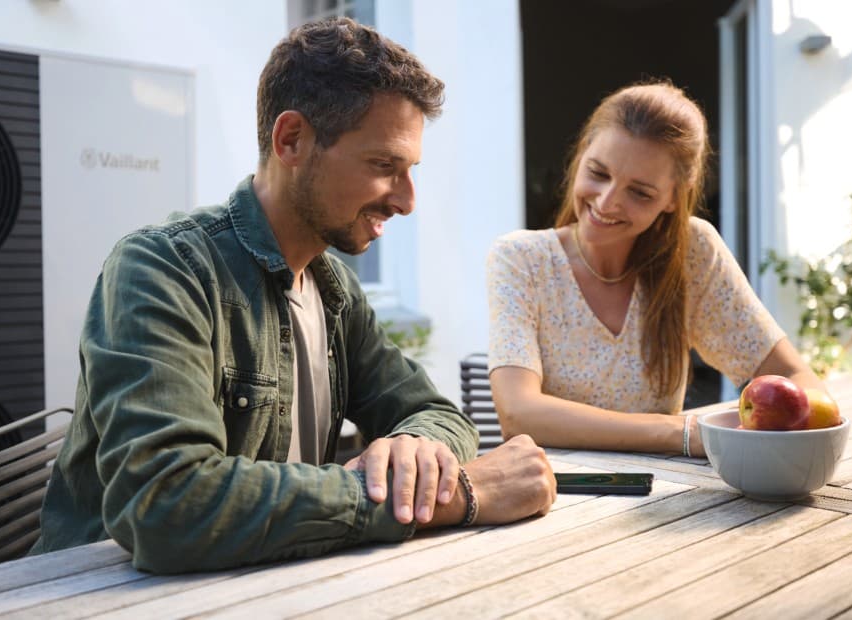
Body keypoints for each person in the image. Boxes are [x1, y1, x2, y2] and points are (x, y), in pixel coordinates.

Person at [31, 18, 555, 574]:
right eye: (384, 166)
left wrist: (416, 450)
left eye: (410, 171)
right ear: (292, 141)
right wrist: (437, 499)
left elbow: (432, 410)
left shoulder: (334, 289)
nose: (407, 201)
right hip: (93, 597)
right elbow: (165, 504)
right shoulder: (163, 270)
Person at [486, 80, 827, 457]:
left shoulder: (691, 251)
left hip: (671, 499)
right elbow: (519, 415)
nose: (607, 202)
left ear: (673, 198)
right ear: (582, 153)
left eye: (640, 192)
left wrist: (785, 424)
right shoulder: (521, 258)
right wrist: (683, 432)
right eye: (598, 173)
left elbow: (799, 379)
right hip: (558, 499)